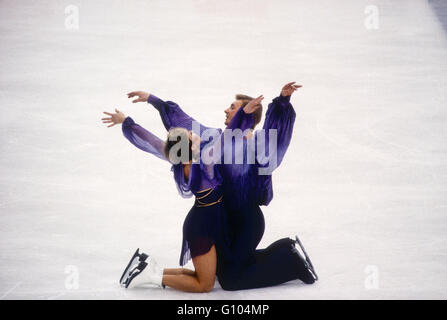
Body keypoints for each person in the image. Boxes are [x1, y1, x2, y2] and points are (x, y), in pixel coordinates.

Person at [123, 82, 318, 290]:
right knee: (225, 272)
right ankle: (285, 250)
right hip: (221, 220)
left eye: (233, 107)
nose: (226, 109)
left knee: (231, 279)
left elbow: (278, 133)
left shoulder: (260, 145)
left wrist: (282, 101)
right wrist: (155, 101)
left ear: (247, 113)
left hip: (246, 219)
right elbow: (182, 128)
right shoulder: (213, 140)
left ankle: (292, 262)